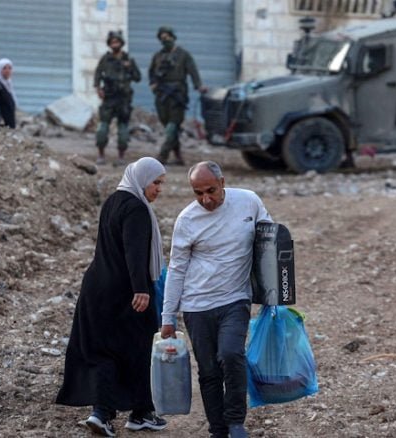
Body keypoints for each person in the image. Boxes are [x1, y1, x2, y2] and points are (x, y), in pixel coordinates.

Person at [56, 157, 169, 437]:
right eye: (155, 183)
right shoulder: (137, 209)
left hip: (96, 287)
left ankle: (104, 413)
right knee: (139, 348)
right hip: (125, 291)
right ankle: (138, 413)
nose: (159, 189)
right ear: (142, 180)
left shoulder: (113, 201)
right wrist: (141, 289)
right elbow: (134, 252)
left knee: (103, 351)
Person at [161, 161, 271, 438]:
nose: (205, 199)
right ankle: (218, 430)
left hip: (235, 299)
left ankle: (235, 422)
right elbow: (176, 268)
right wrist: (168, 316)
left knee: (231, 355)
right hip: (196, 306)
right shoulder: (187, 220)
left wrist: (275, 294)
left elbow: (270, 241)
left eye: (211, 191)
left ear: (223, 183)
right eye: (198, 193)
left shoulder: (248, 202)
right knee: (209, 371)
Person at [149, 26, 207, 166]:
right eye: (162, 38)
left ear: (173, 37)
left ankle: (162, 156)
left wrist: (199, 86)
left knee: (173, 126)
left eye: (168, 37)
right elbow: (151, 72)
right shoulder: (158, 56)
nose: (165, 40)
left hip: (177, 95)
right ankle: (178, 156)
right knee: (167, 125)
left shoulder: (183, 55)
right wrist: (153, 84)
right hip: (162, 95)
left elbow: (193, 71)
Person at [94, 30, 141, 166]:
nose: (115, 44)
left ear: (121, 43)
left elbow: (137, 77)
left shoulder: (128, 60)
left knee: (123, 131)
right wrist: (98, 88)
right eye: (112, 42)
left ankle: (121, 156)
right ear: (109, 44)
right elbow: (98, 74)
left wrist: (130, 68)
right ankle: (101, 154)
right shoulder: (105, 59)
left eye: (117, 41)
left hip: (123, 100)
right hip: (109, 98)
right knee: (102, 129)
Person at [0, 58, 17, 128]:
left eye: (10, 68)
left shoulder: (8, 82)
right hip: (2, 120)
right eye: (4, 68)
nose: (7, 70)